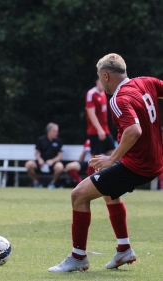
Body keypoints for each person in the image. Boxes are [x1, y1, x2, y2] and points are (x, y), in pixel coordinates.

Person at [49, 53, 163, 272]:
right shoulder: (146, 82)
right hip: (153, 161)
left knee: (78, 195)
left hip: (137, 165)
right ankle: (124, 249)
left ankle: (78, 257)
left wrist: (112, 158)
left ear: (106, 75)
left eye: (100, 78)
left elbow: (134, 130)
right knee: (110, 192)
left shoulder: (119, 99)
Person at [25, 123, 64, 189]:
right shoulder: (41, 139)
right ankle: (36, 182)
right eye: (55, 131)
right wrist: (40, 159)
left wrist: (52, 161)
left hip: (53, 163)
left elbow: (60, 156)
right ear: (49, 131)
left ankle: (52, 183)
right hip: (41, 162)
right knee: (29, 164)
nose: (57, 133)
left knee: (60, 167)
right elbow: (36, 153)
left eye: (57, 131)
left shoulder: (58, 141)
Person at [86, 78, 116, 157]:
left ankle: (114, 169)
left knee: (113, 152)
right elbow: (91, 114)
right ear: (97, 81)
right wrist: (99, 129)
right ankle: (92, 170)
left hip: (105, 129)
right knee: (95, 155)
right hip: (95, 130)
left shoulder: (103, 93)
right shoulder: (91, 93)